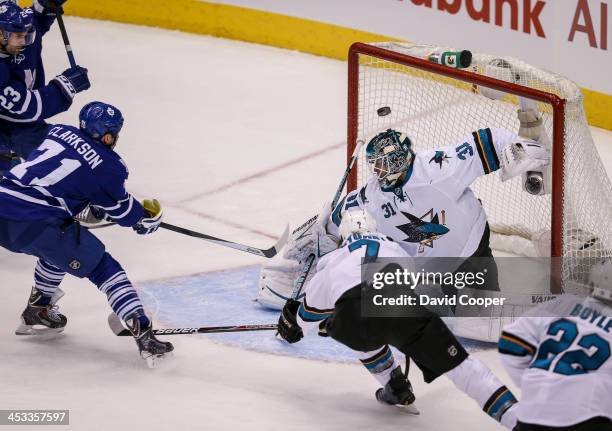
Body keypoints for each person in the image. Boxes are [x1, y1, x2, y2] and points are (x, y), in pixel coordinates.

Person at [257, 108, 551, 309]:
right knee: (443, 313)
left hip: (472, 247)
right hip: (430, 271)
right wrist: (317, 234)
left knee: (484, 306)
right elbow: (337, 218)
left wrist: (515, 147)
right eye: (382, 167)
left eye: (392, 164)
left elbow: (485, 142)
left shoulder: (438, 167)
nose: (387, 171)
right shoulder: (369, 197)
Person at [276, 208, 519, 429]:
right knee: (463, 369)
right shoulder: (397, 249)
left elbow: (307, 317)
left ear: (343, 236)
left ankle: (394, 384)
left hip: (353, 321)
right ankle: (518, 420)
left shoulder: (332, 261)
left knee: (358, 323)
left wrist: (291, 325)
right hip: (398, 303)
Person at [0, 101, 172, 367]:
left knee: (57, 250)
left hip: (4, 203)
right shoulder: (109, 165)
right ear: (107, 135)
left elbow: (62, 178)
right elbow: (126, 213)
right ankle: (145, 334)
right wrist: (146, 219)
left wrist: (83, 205)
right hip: (35, 221)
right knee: (106, 268)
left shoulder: (58, 131)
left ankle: (38, 309)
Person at [498, 259, 612, 431]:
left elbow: (510, 343)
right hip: (588, 418)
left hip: (530, 416)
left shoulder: (565, 302)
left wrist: (536, 385)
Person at [0, 0, 90, 173]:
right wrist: (66, 85)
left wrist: (46, 5)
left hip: (26, 124)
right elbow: (29, 106)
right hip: (15, 125)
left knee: (69, 165)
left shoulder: (20, 28)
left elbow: (36, 20)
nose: (25, 41)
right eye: (19, 36)